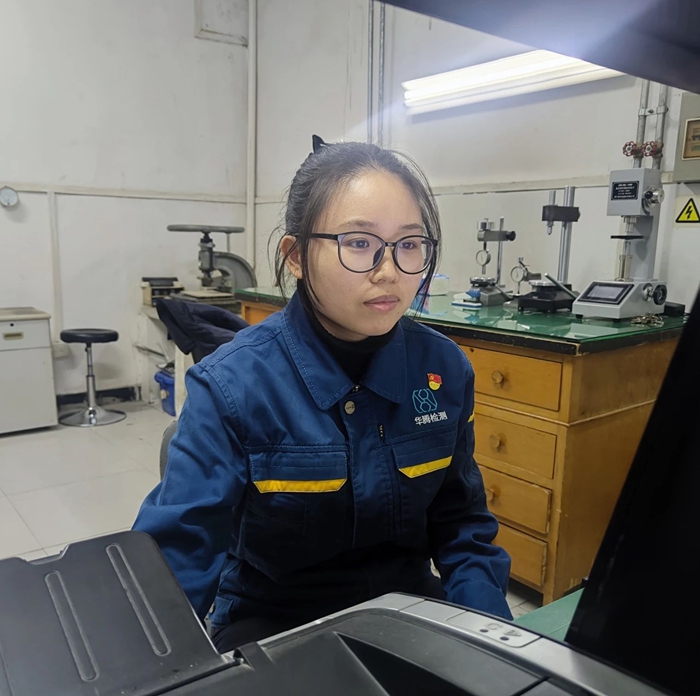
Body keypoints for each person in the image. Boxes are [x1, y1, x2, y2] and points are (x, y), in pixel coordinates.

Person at [133, 137, 512, 653]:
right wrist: (151, 666)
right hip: (275, 622)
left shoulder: (442, 369)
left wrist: (495, 643)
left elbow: (462, 525)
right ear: (296, 256)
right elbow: (174, 561)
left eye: (409, 244)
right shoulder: (231, 385)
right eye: (358, 242)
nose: (389, 271)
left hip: (407, 610)